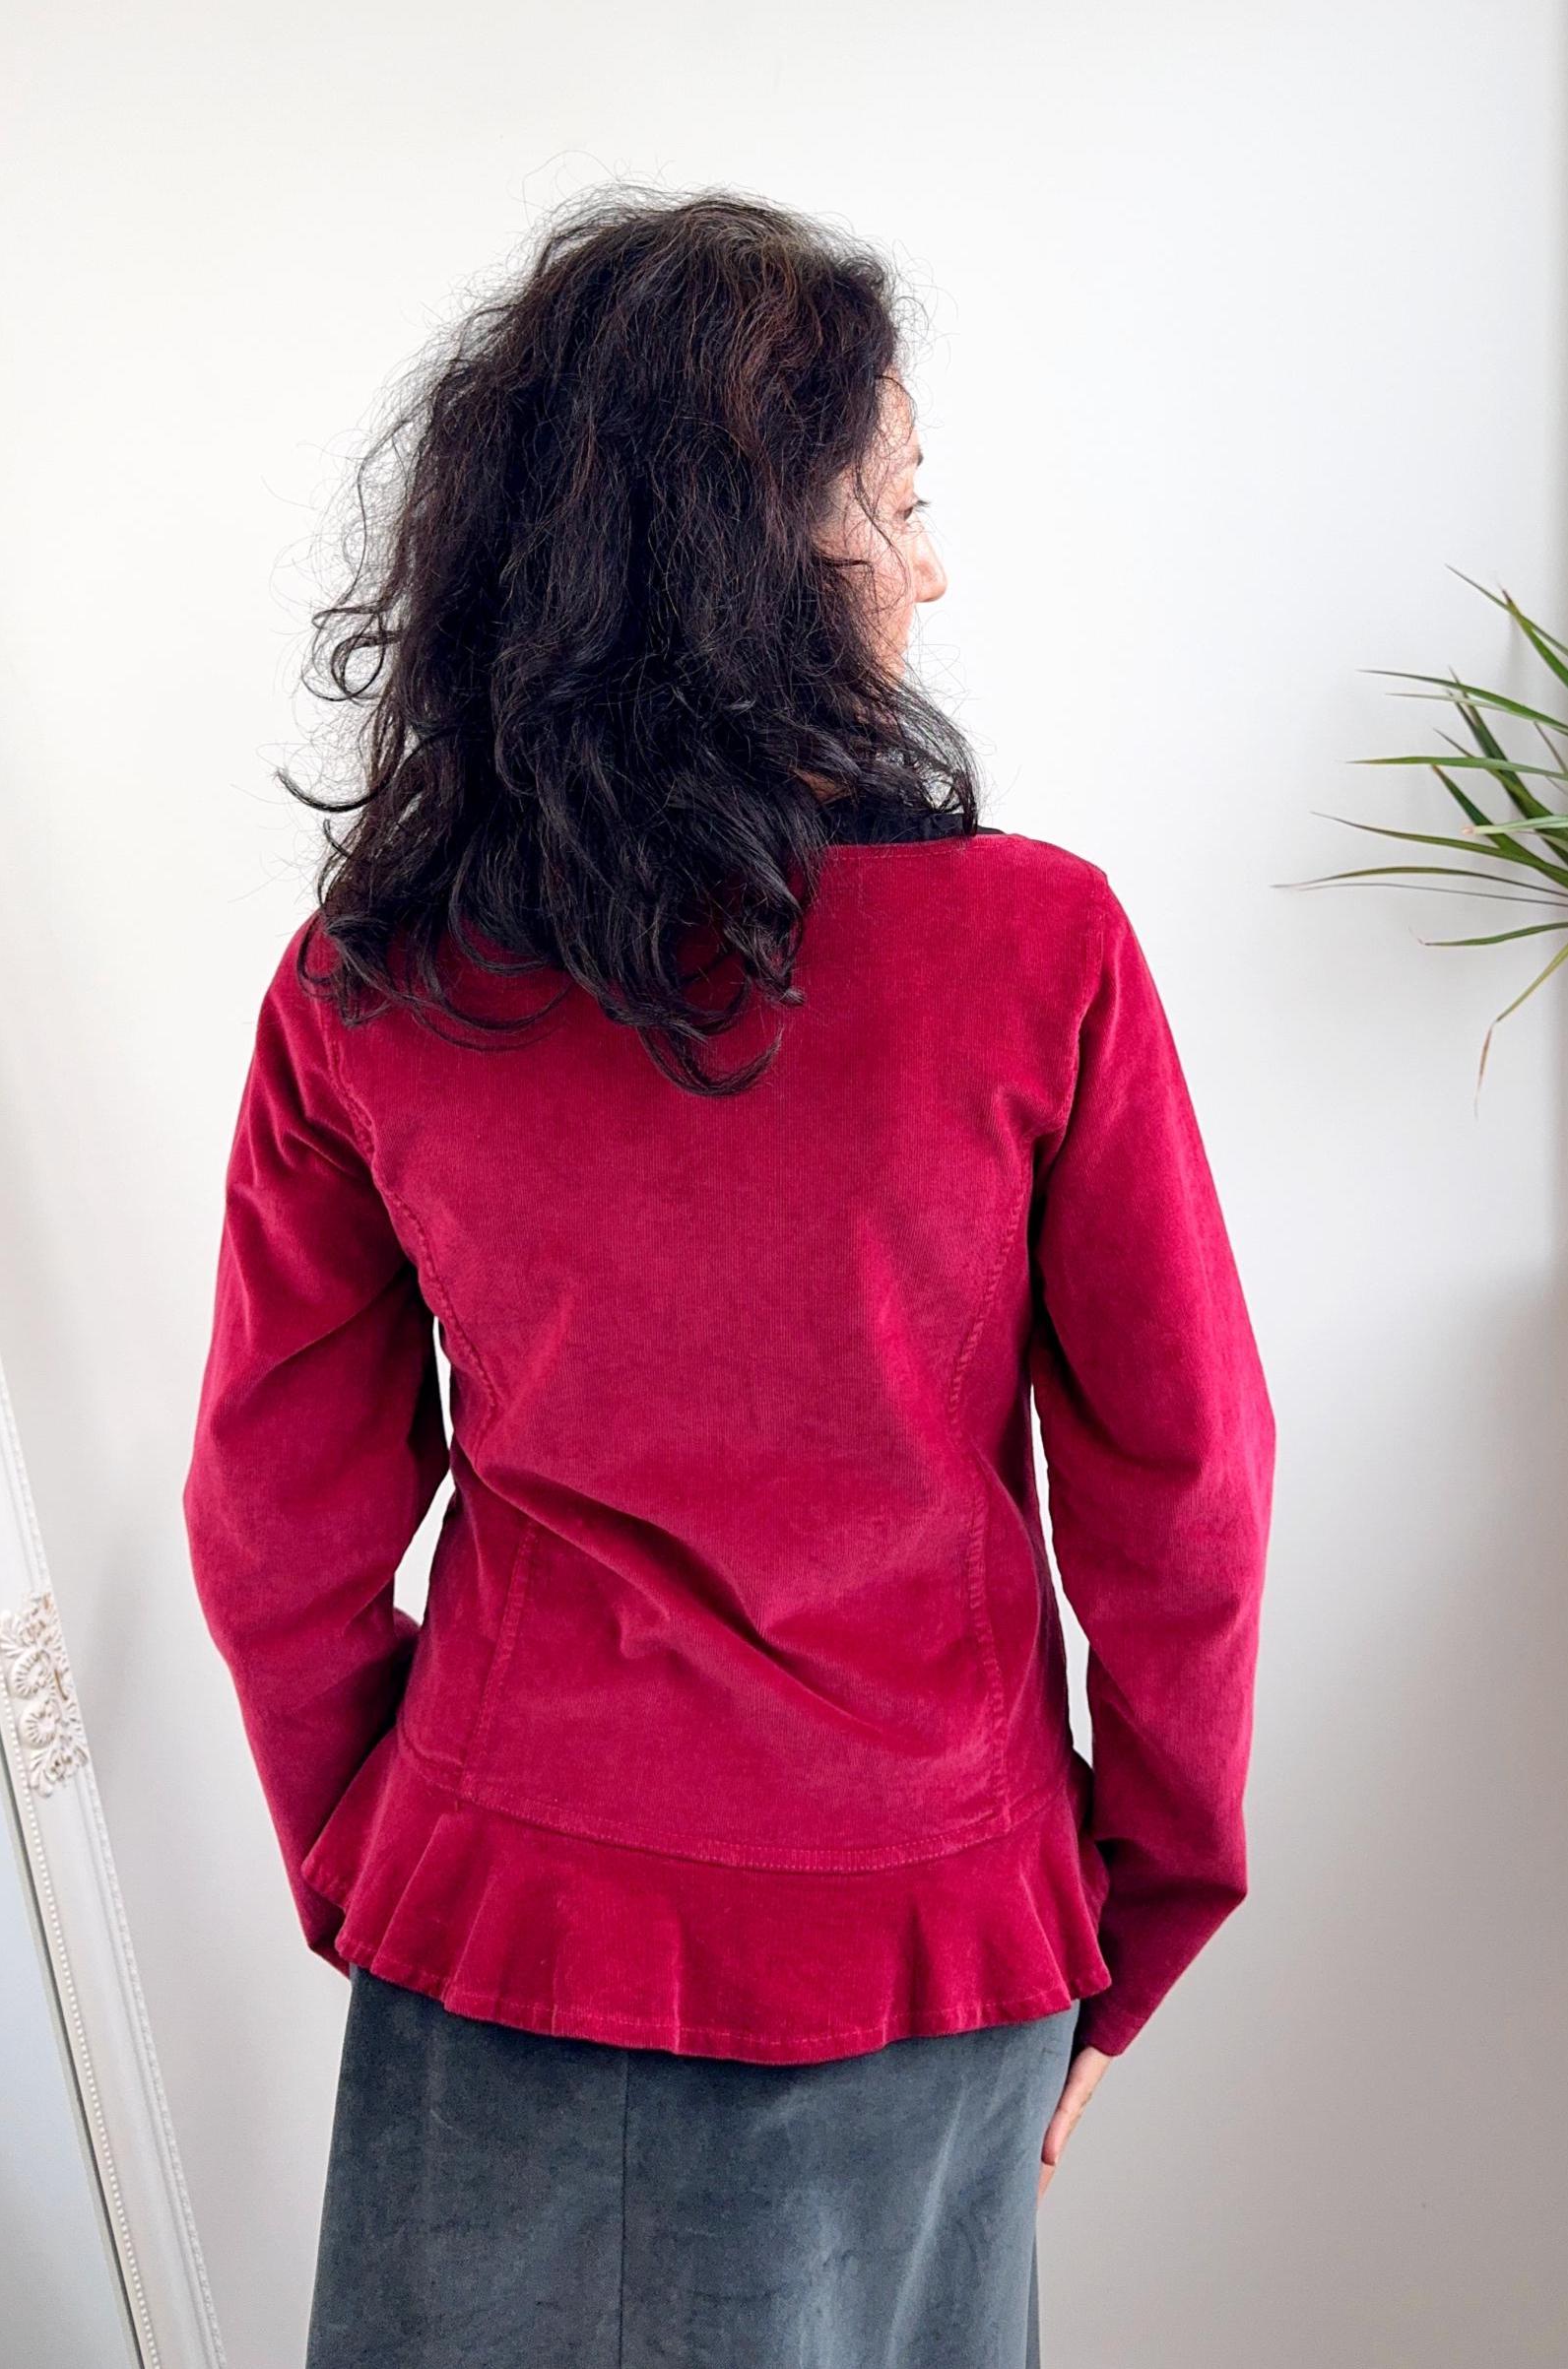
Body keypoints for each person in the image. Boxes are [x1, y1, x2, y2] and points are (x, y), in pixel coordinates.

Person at [180, 187, 1276, 2369]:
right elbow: (1186, 1494)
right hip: (931, 1926)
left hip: (500, 1913)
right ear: (759, 547)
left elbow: (270, 1519)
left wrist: (384, 1852)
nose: (931, 571)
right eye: (901, 504)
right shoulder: (1037, 953)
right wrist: (1136, 1917)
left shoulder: (368, 984)